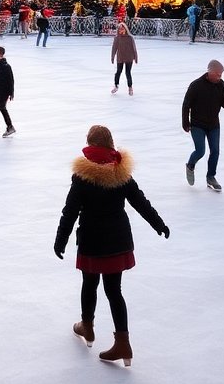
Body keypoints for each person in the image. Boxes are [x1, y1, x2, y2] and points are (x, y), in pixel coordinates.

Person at [54, 124, 168, 366]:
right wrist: (158, 223)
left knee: (89, 284)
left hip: (92, 240)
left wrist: (61, 239)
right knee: (114, 291)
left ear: (90, 145)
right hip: (117, 240)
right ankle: (123, 344)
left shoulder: (82, 176)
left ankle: (87, 326)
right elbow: (140, 201)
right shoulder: (121, 172)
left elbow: (70, 211)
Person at [181, 59, 224, 191]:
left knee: (215, 151)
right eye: (218, 74)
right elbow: (186, 104)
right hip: (197, 125)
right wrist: (185, 122)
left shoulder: (221, 85)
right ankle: (190, 165)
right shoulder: (196, 85)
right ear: (210, 72)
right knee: (200, 151)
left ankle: (211, 177)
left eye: (221, 74)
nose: (220, 77)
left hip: (214, 125)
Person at [110, 22, 139, 95]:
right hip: (120, 57)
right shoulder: (117, 38)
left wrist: (135, 57)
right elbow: (114, 48)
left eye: (122, 29)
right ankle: (116, 86)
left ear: (125, 29)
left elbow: (134, 48)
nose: (121, 31)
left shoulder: (130, 38)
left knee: (127, 72)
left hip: (129, 57)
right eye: (119, 29)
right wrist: (112, 57)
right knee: (118, 71)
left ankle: (130, 87)